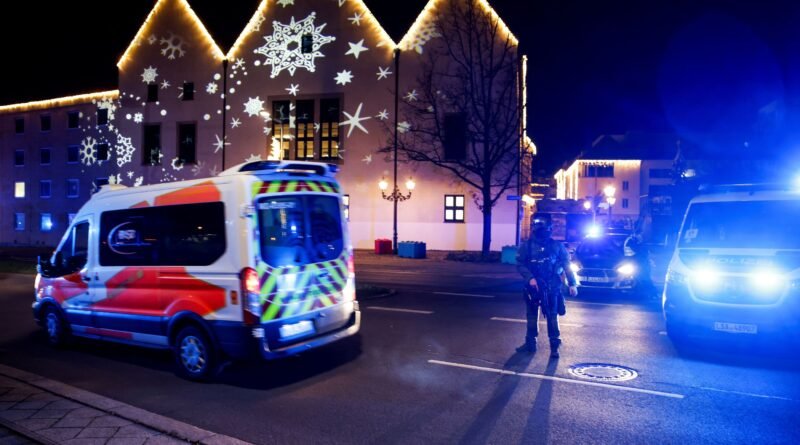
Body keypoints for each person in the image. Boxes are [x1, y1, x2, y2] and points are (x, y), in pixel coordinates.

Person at [516, 217, 578, 357]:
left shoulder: (557, 246)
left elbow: (566, 265)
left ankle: (554, 346)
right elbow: (520, 264)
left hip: (552, 287)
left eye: (545, 229)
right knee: (531, 316)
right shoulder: (527, 246)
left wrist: (572, 283)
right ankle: (530, 343)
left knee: (552, 316)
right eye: (541, 230)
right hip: (533, 287)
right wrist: (530, 278)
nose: (543, 232)